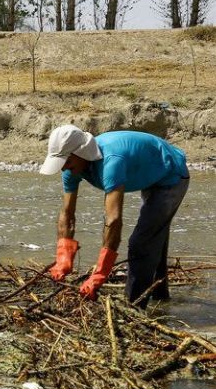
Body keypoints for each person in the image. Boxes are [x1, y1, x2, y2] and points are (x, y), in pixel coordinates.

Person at [39, 125, 190, 307]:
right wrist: (63, 256)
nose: (64, 170)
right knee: (153, 236)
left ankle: (135, 305)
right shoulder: (71, 167)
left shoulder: (111, 162)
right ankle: (161, 298)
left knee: (141, 243)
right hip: (149, 170)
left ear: (81, 153)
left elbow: (114, 220)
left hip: (171, 174)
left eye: (67, 163)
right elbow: (67, 214)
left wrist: (100, 273)